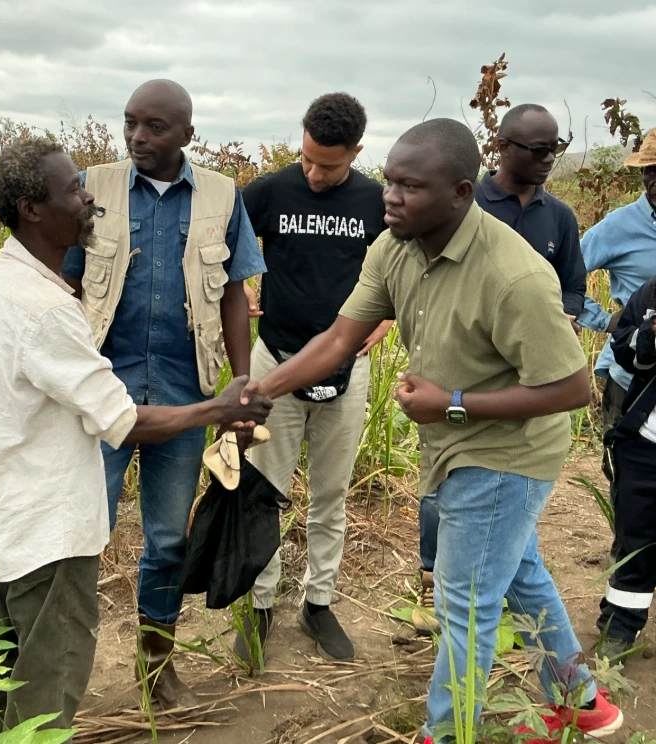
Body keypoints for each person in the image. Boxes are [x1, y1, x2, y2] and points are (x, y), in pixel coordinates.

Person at [239, 119, 623, 742]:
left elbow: (572, 389)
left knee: (464, 603)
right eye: (389, 181)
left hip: (508, 450)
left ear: (461, 193)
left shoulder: (513, 276)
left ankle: (444, 733)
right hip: (453, 436)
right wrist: (262, 388)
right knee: (517, 570)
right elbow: (341, 337)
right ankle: (583, 700)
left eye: (410, 186)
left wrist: (453, 404)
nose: (390, 196)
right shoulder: (394, 245)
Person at [0, 138, 272, 730]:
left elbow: (233, 289)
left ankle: (152, 667)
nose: (88, 201)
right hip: (49, 525)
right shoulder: (46, 310)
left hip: (11, 513)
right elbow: (122, 418)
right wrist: (218, 409)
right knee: (51, 676)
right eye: (73, 192)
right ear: (32, 208)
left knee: (4, 661)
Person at [61, 80, 267, 708]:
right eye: (129, 123)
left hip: (183, 395)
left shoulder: (221, 196)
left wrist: (241, 382)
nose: (137, 138)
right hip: (100, 394)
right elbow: (64, 282)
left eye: (154, 126)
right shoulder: (89, 188)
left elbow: (233, 291)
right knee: (77, 533)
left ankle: (156, 670)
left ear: (186, 134)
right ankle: (61, 671)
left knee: (167, 537)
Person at [233, 93, 392, 664]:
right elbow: (224, 245)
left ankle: (317, 604)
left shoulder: (377, 201)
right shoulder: (270, 192)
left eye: (329, 164)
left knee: (330, 495)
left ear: (357, 152)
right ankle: (259, 605)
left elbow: (405, 266)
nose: (314, 173)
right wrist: (241, 284)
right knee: (263, 492)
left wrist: (389, 318)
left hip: (349, 366)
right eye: (306, 158)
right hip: (275, 358)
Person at [416, 103, 586, 631]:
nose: (546, 160)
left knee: (494, 562)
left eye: (554, 149)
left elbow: (574, 284)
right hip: (464, 393)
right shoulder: (465, 204)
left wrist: (563, 324)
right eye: (535, 150)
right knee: (482, 536)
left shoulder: (557, 217)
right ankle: (575, 694)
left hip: (531, 400)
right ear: (501, 148)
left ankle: (568, 694)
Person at [577, 131, 656, 438]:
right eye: (652, 170)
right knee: (629, 473)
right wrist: (603, 320)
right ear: (642, 174)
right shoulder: (618, 227)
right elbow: (558, 277)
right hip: (633, 377)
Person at [594, 276, 656, 660]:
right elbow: (624, 349)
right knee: (636, 539)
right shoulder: (650, 293)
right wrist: (649, 334)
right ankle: (619, 625)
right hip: (644, 444)